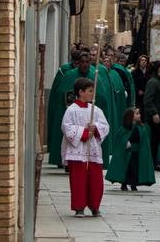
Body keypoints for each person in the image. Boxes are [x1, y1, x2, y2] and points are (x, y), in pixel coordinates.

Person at [48, 51, 113, 167]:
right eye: (82, 62)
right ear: (78, 63)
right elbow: (61, 93)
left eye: (87, 62)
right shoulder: (68, 76)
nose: (84, 64)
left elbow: (102, 97)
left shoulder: (95, 76)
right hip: (74, 117)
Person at [61, 77, 109, 217]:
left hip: (93, 149)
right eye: (89, 91)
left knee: (96, 180)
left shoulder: (96, 110)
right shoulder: (71, 110)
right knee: (78, 180)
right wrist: (85, 133)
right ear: (81, 92)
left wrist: (96, 127)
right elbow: (66, 128)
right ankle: (79, 207)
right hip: (77, 150)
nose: (92, 94)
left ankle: (95, 206)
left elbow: (105, 126)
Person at [106, 106, 155, 192]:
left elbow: (143, 142)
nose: (139, 115)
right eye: (137, 113)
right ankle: (124, 184)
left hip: (136, 152)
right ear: (130, 116)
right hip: (127, 153)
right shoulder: (124, 129)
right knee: (126, 168)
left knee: (135, 169)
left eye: (139, 113)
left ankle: (134, 184)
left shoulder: (142, 128)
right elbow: (120, 140)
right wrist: (125, 142)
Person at [144, 60, 160, 170]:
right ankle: (153, 162)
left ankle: (155, 161)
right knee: (155, 140)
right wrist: (154, 113)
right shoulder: (153, 82)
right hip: (155, 118)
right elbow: (148, 100)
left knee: (158, 139)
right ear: (159, 69)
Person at [132, 55, 150, 120]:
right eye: (142, 60)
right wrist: (137, 90)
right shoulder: (134, 72)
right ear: (139, 62)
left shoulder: (149, 72)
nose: (144, 62)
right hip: (138, 96)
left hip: (147, 95)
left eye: (145, 60)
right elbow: (133, 84)